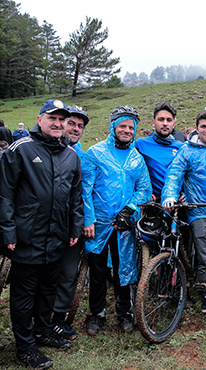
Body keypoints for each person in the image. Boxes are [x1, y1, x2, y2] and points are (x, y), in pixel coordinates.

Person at [0, 99, 83, 368]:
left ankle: (43, 330)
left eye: (63, 120)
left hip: (58, 236)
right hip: (27, 238)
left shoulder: (71, 155)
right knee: (24, 295)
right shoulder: (21, 150)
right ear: (40, 120)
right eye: (52, 118)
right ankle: (25, 347)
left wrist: (74, 227)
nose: (58, 124)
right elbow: (4, 194)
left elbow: (75, 196)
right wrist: (8, 232)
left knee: (48, 289)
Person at [82, 106, 151, 336]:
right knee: (98, 270)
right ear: (113, 126)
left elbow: (144, 189)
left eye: (131, 127)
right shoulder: (95, 153)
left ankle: (125, 313)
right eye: (122, 125)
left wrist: (129, 209)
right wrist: (89, 219)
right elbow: (85, 189)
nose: (127, 130)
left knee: (125, 270)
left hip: (124, 225)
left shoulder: (136, 159)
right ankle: (97, 314)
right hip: (99, 224)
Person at [161, 110, 206, 313]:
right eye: (203, 127)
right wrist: (170, 195)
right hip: (199, 211)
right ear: (197, 128)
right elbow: (174, 174)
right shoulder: (187, 150)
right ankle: (205, 295)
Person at [51, 105, 89, 342]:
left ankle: (58, 321)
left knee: (67, 274)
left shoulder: (83, 156)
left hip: (72, 226)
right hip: (45, 225)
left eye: (80, 126)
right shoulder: (45, 149)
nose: (75, 129)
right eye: (72, 123)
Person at [135, 103, 184, 202]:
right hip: (153, 204)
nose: (165, 123)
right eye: (161, 119)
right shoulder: (140, 144)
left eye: (169, 120)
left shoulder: (182, 147)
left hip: (178, 203)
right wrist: (143, 192)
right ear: (153, 122)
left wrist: (185, 193)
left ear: (174, 124)